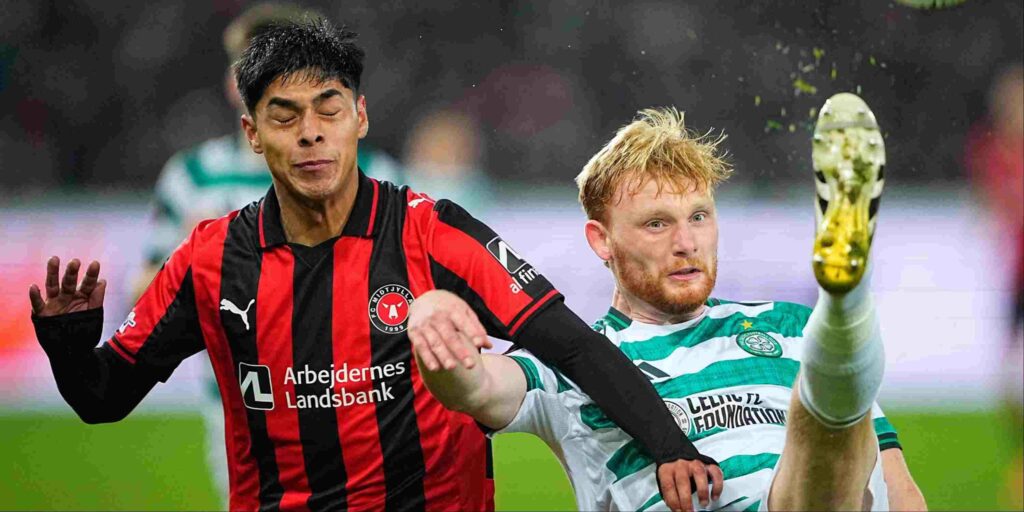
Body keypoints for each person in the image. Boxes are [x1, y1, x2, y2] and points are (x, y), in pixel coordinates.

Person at [29, 18, 719, 511]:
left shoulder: (433, 232)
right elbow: (103, 398)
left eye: (328, 109)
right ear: (251, 132)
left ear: (359, 116)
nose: (310, 133)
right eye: (284, 115)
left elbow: (571, 343)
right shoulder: (210, 261)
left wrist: (670, 446)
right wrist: (67, 346)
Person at [408, 100, 929, 510]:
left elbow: (893, 484)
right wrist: (432, 325)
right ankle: (848, 311)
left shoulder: (789, 328)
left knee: (826, 425)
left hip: (817, 495)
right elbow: (477, 388)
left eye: (699, 217)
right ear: (601, 241)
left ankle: (845, 305)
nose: (687, 242)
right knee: (826, 405)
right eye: (657, 223)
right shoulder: (573, 358)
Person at [132, 3, 402, 501]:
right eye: (246, 64)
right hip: (243, 405)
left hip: (358, 395)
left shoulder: (371, 169)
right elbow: (144, 293)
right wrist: (186, 260)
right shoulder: (193, 176)